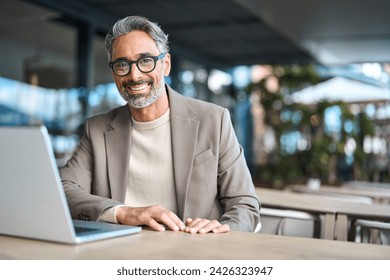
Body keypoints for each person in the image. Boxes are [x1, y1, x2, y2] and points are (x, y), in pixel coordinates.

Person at [60, 15, 261, 234]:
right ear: (114, 73)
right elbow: (63, 189)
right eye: (122, 64)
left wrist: (224, 228)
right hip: (119, 253)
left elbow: (244, 203)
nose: (134, 75)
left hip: (193, 253)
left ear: (165, 65)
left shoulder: (214, 120)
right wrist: (123, 213)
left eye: (145, 60)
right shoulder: (97, 130)